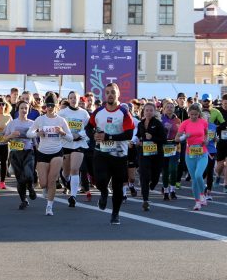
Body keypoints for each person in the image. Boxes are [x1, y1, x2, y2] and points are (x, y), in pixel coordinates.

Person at [89, 83, 135, 225]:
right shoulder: (98, 112)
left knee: (118, 186)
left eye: (113, 92)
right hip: (101, 153)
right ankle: (103, 192)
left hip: (119, 155)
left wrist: (108, 137)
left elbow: (129, 134)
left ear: (118, 94)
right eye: (107, 92)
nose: (110, 95)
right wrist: (94, 135)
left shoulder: (124, 113)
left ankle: (115, 214)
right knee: (100, 180)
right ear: (104, 95)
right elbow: (88, 127)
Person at [27, 93, 71, 216]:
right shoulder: (40, 119)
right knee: (43, 183)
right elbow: (29, 133)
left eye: (52, 105)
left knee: (52, 181)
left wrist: (62, 133)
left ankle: (49, 207)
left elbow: (70, 138)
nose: (50, 107)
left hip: (57, 152)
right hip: (42, 153)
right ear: (45, 106)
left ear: (56, 105)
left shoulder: (61, 120)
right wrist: (37, 133)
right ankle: (45, 189)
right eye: (48, 105)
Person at [58, 91, 91, 207]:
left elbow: (88, 129)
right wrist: (66, 134)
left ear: (79, 100)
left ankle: (73, 196)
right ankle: (65, 179)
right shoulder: (62, 113)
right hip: (66, 144)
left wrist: (79, 135)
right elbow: (58, 127)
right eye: (71, 98)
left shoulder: (84, 114)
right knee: (66, 172)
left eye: (75, 98)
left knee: (75, 169)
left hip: (79, 143)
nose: (73, 100)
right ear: (68, 99)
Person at [176, 103, 209, 211]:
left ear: (199, 114)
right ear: (189, 114)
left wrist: (206, 140)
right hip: (190, 154)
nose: (194, 116)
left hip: (202, 153)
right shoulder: (185, 123)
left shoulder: (203, 122)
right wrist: (185, 136)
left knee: (199, 175)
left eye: (196, 114)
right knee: (194, 179)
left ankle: (202, 193)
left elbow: (207, 134)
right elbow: (177, 138)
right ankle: (197, 202)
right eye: (192, 114)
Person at [4, 101, 36, 209]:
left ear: (28, 110)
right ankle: (24, 200)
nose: (24, 110)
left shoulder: (32, 123)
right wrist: (11, 135)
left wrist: (38, 149)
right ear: (18, 110)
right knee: (20, 179)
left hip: (28, 151)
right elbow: (4, 138)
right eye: (22, 108)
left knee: (28, 174)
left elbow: (35, 140)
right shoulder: (12, 123)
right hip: (15, 153)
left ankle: (31, 187)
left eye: (26, 108)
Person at [135, 102, 166, 211]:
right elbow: (138, 136)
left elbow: (163, 139)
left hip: (156, 155)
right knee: (144, 175)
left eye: (151, 110)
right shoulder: (140, 124)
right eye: (146, 110)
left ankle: (153, 184)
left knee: (155, 176)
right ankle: (145, 200)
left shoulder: (158, 124)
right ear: (143, 111)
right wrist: (136, 141)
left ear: (154, 112)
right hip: (144, 154)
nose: (148, 112)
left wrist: (153, 137)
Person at [161, 100, 181, 200]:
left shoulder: (177, 120)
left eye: (171, 107)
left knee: (173, 169)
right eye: (167, 107)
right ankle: (165, 191)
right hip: (164, 146)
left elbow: (181, 132)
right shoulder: (160, 119)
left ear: (174, 109)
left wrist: (179, 137)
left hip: (175, 146)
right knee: (165, 170)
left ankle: (172, 190)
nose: (169, 109)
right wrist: (164, 129)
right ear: (163, 109)